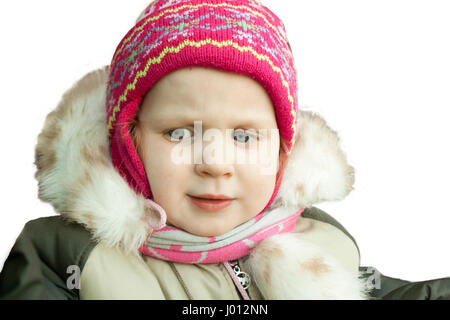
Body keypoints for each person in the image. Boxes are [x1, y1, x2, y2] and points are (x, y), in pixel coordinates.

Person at [1, 0, 449, 300]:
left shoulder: (316, 240)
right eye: (179, 134)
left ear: (282, 149)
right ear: (129, 142)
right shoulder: (64, 259)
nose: (215, 163)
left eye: (244, 136)